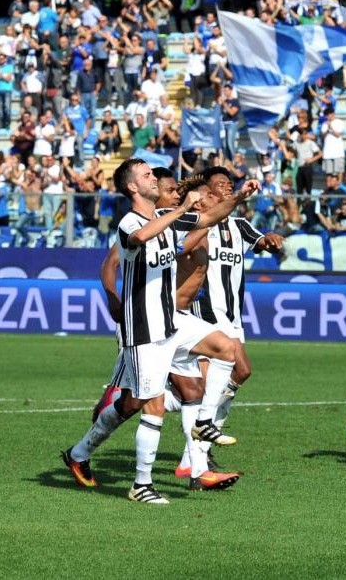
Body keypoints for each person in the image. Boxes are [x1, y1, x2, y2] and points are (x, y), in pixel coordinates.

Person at [61, 159, 256, 504]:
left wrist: (239, 197)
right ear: (133, 187)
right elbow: (138, 238)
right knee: (147, 404)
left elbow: (209, 218)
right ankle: (139, 483)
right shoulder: (130, 222)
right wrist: (179, 209)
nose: (155, 178)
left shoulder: (167, 220)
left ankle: (203, 425)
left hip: (173, 320)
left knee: (226, 349)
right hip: (144, 329)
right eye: (147, 175)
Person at [172, 168, 285, 477]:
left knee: (227, 381)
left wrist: (272, 240)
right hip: (207, 309)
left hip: (233, 314)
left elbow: (261, 241)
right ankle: (196, 446)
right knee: (241, 369)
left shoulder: (239, 226)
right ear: (205, 195)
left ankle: (192, 448)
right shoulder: (196, 227)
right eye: (219, 186)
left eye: (229, 185)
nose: (225, 189)